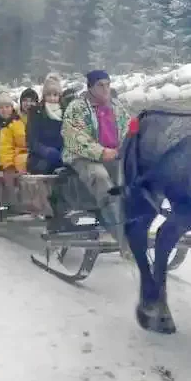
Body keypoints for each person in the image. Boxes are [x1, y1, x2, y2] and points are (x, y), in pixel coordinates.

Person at [62, 69, 131, 251]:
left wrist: (124, 149)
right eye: (100, 85)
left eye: (108, 85)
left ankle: (133, 219)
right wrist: (100, 152)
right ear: (90, 87)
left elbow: (127, 130)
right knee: (100, 177)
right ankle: (119, 230)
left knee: (132, 177)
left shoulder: (117, 107)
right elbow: (74, 137)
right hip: (83, 156)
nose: (105, 89)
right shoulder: (77, 108)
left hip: (115, 154)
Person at [27, 73, 64, 175]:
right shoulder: (36, 112)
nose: (52, 98)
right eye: (49, 95)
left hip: (62, 154)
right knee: (44, 167)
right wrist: (45, 151)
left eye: (55, 95)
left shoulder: (65, 112)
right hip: (40, 156)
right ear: (44, 96)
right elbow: (31, 140)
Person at [0, 91, 28, 173]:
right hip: (1, 159)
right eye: (1, 107)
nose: (4, 110)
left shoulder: (17, 121)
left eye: (7, 107)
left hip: (18, 156)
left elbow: (21, 141)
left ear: (12, 107)